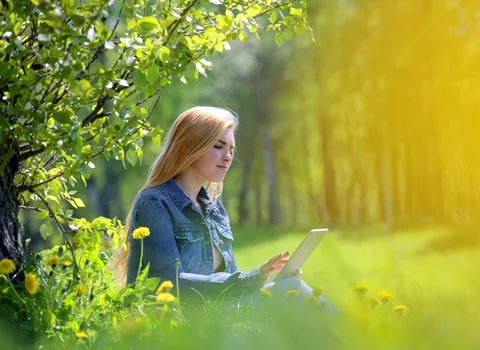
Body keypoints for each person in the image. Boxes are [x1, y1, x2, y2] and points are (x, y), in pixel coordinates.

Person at [112, 106, 332, 308]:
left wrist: (267, 280)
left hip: (220, 315)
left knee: (289, 291)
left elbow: (231, 282)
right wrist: (253, 278)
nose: (227, 157)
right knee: (290, 293)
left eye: (231, 150)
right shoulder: (154, 203)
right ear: (190, 147)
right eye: (218, 147)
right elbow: (168, 283)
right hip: (180, 327)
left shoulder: (214, 209)